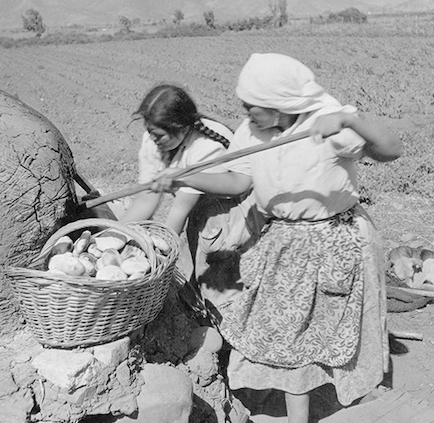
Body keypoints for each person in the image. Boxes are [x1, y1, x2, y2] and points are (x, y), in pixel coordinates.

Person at [149, 53, 403, 423]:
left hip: (334, 240)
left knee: (319, 334)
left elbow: (391, 151)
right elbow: (238, 181)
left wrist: (350, 120)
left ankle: (337, 405)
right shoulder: (253, 131)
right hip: (283, 241)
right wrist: (185, 178)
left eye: (254, 107)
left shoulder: (328, 120)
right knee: (286, 336)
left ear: (282, 105)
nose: (246, 112)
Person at [120, 83, 266, 316]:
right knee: (197, 275)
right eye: (150, 132)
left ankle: (228, 333)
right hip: (200, 211)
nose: (152, 138)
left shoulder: (207, 147)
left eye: (158, 135)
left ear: (180, 128)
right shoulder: (155, 141)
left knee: (220, 283)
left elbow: (180, 210)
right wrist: (116, 234)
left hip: (228, 215)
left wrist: (156, 257)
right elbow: (146, 199)